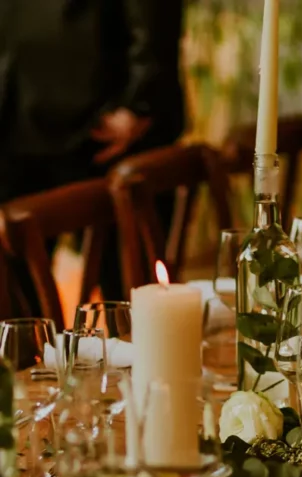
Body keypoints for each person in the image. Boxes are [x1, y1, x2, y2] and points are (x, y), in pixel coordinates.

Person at [0, 0, 185, 300]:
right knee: (16, 304)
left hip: (101, 125)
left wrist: (140, 102)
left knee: (133, 299)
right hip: (15, 119)